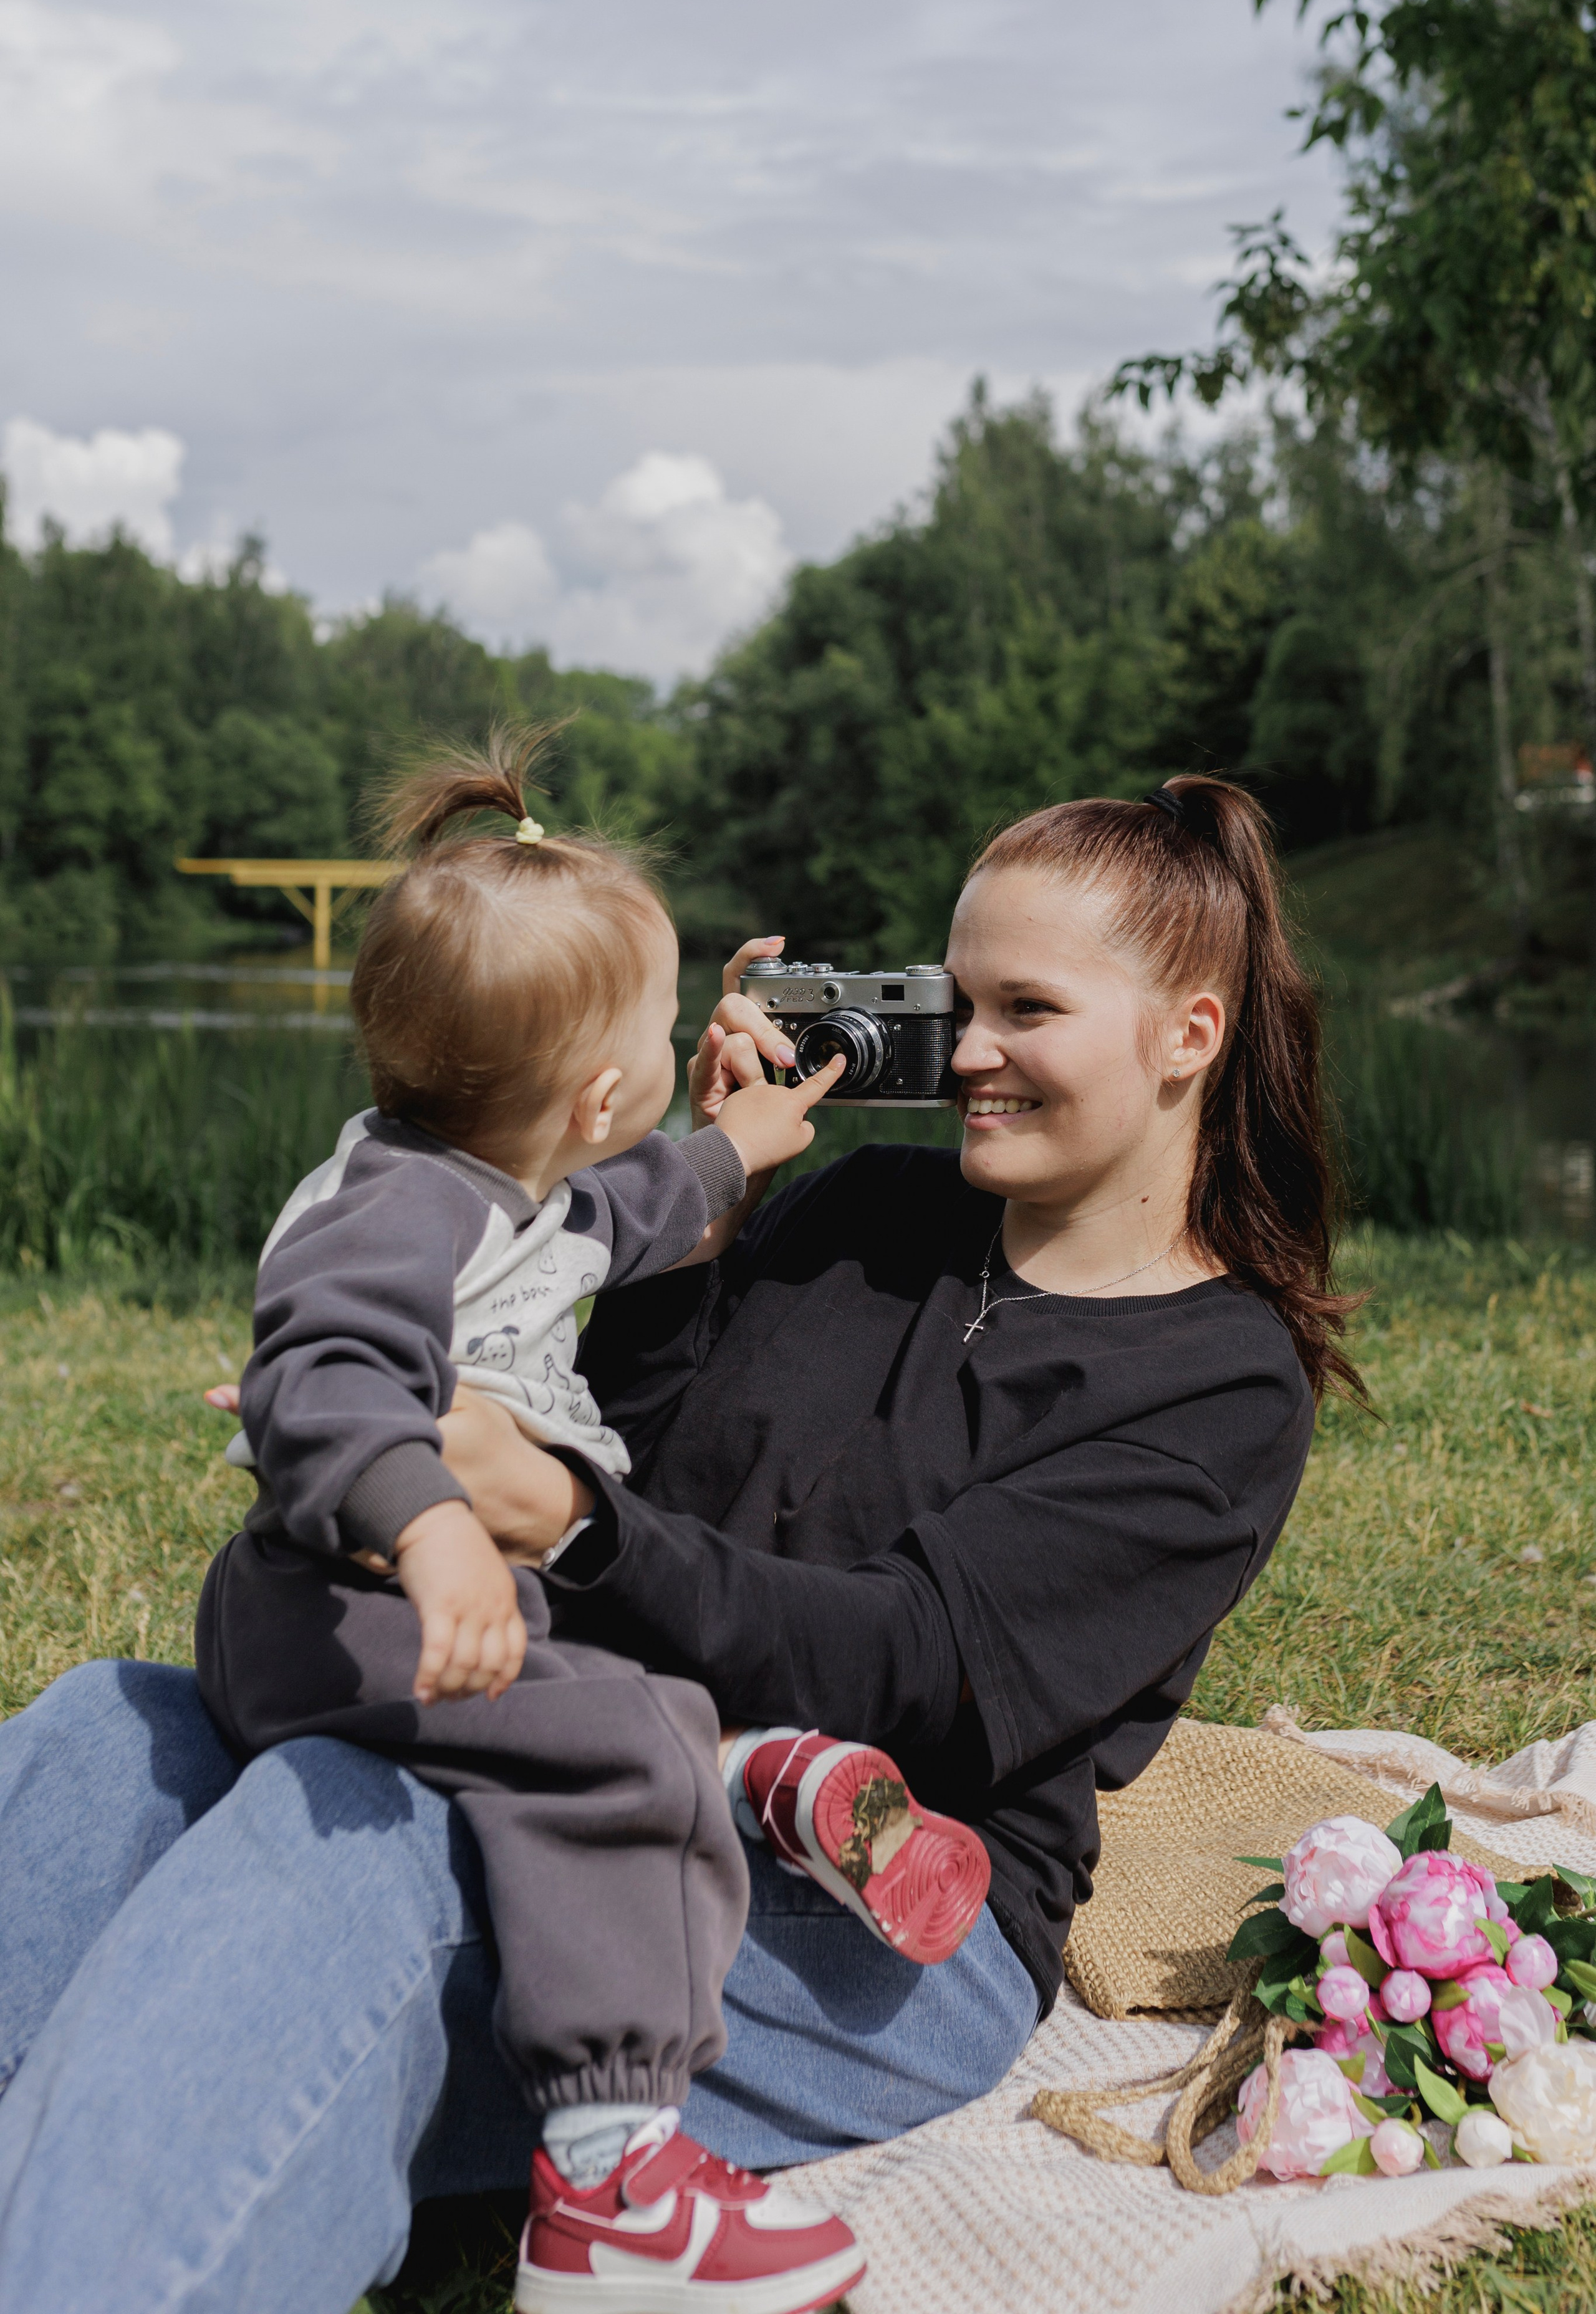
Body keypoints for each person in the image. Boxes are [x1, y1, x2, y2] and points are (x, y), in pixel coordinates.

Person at [0, 777, 1351, 2314]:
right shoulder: (863, 1206)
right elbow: (638, 1435)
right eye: (956, 998)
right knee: (120, 1731)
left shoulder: (1219, 1385)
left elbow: (903, 1663)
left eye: (1024, 1009)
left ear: (1187, 1033)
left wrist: (565, 1530)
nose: (968, 1053)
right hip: (590, 1738)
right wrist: (702, 1202)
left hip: (874, 1905)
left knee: (355, 1828)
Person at [195, 734, 979, 2314]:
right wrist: (423, 1526)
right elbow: (329, 1375)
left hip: (411, 1586)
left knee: (631, 1697)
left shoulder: (496, 1175)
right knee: (609, 1755)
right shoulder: (396, 1211)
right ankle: (613, 2170)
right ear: (593, 1092)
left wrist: (738, 1151)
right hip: (347, 1597)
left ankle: (734, 1767)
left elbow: (612, 1216)